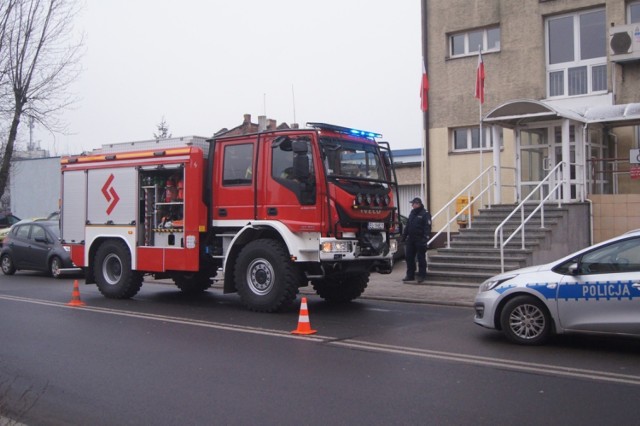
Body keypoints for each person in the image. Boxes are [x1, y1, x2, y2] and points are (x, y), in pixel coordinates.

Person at [402, 197, 432, 283]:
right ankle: (410, 275)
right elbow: (408, 226)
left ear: (417, 204)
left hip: (420, 239)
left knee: (421, 258)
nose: (412, 205)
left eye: (413, 204)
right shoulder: (412, 213)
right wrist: (404, 237)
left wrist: (425, 239)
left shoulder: (425, 214)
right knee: (409, 257)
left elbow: (427, 227)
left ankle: (422, 275)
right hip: (411, 239)